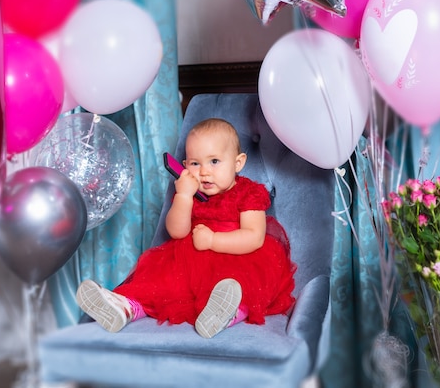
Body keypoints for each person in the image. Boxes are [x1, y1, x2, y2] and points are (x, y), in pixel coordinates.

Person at [76, 118, 296, 338]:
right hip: (190, 259)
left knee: (240, 286)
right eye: (195, 163)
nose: (204, 172)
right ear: (184, 166)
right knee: (158, 285)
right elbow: (177, 231)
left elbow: (254, 237)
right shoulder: (189, 193)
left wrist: (213, 241)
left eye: (215, 161)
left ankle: (227, 312)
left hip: (239, 256)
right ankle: (125, 307)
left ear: (238, 163)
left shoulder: (249, 192)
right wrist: (183, 195)